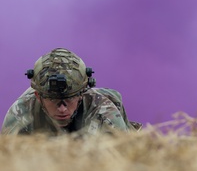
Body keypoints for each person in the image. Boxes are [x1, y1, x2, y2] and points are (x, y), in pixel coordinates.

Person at [1, 48, 141, 135]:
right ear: (38, 96)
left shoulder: (103, 113)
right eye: (53, 99)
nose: (62, 108)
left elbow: (126, 160)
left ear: (81, 95)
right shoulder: (21, 112)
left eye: (70, 98)